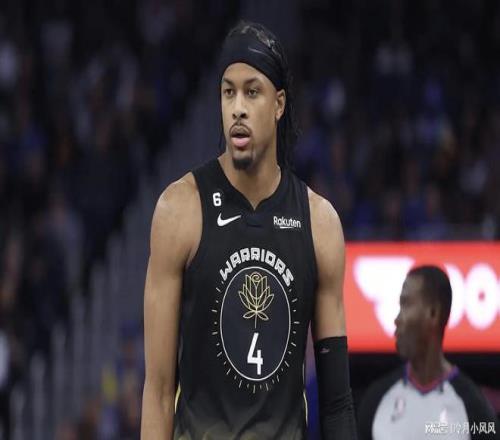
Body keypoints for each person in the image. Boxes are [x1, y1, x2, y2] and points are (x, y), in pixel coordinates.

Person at [141, 21, 357, 439]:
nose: (237, 108)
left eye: (251, 92)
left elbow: (336, 402)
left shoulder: (320, 223)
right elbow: (159, 391)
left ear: (279, 104)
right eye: (228, 92)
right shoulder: (179, 209)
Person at [357, 265, 499, 440]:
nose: (397, 319)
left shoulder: (475, 410)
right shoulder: (376, 400)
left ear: (433, 313)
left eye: (405, 304)